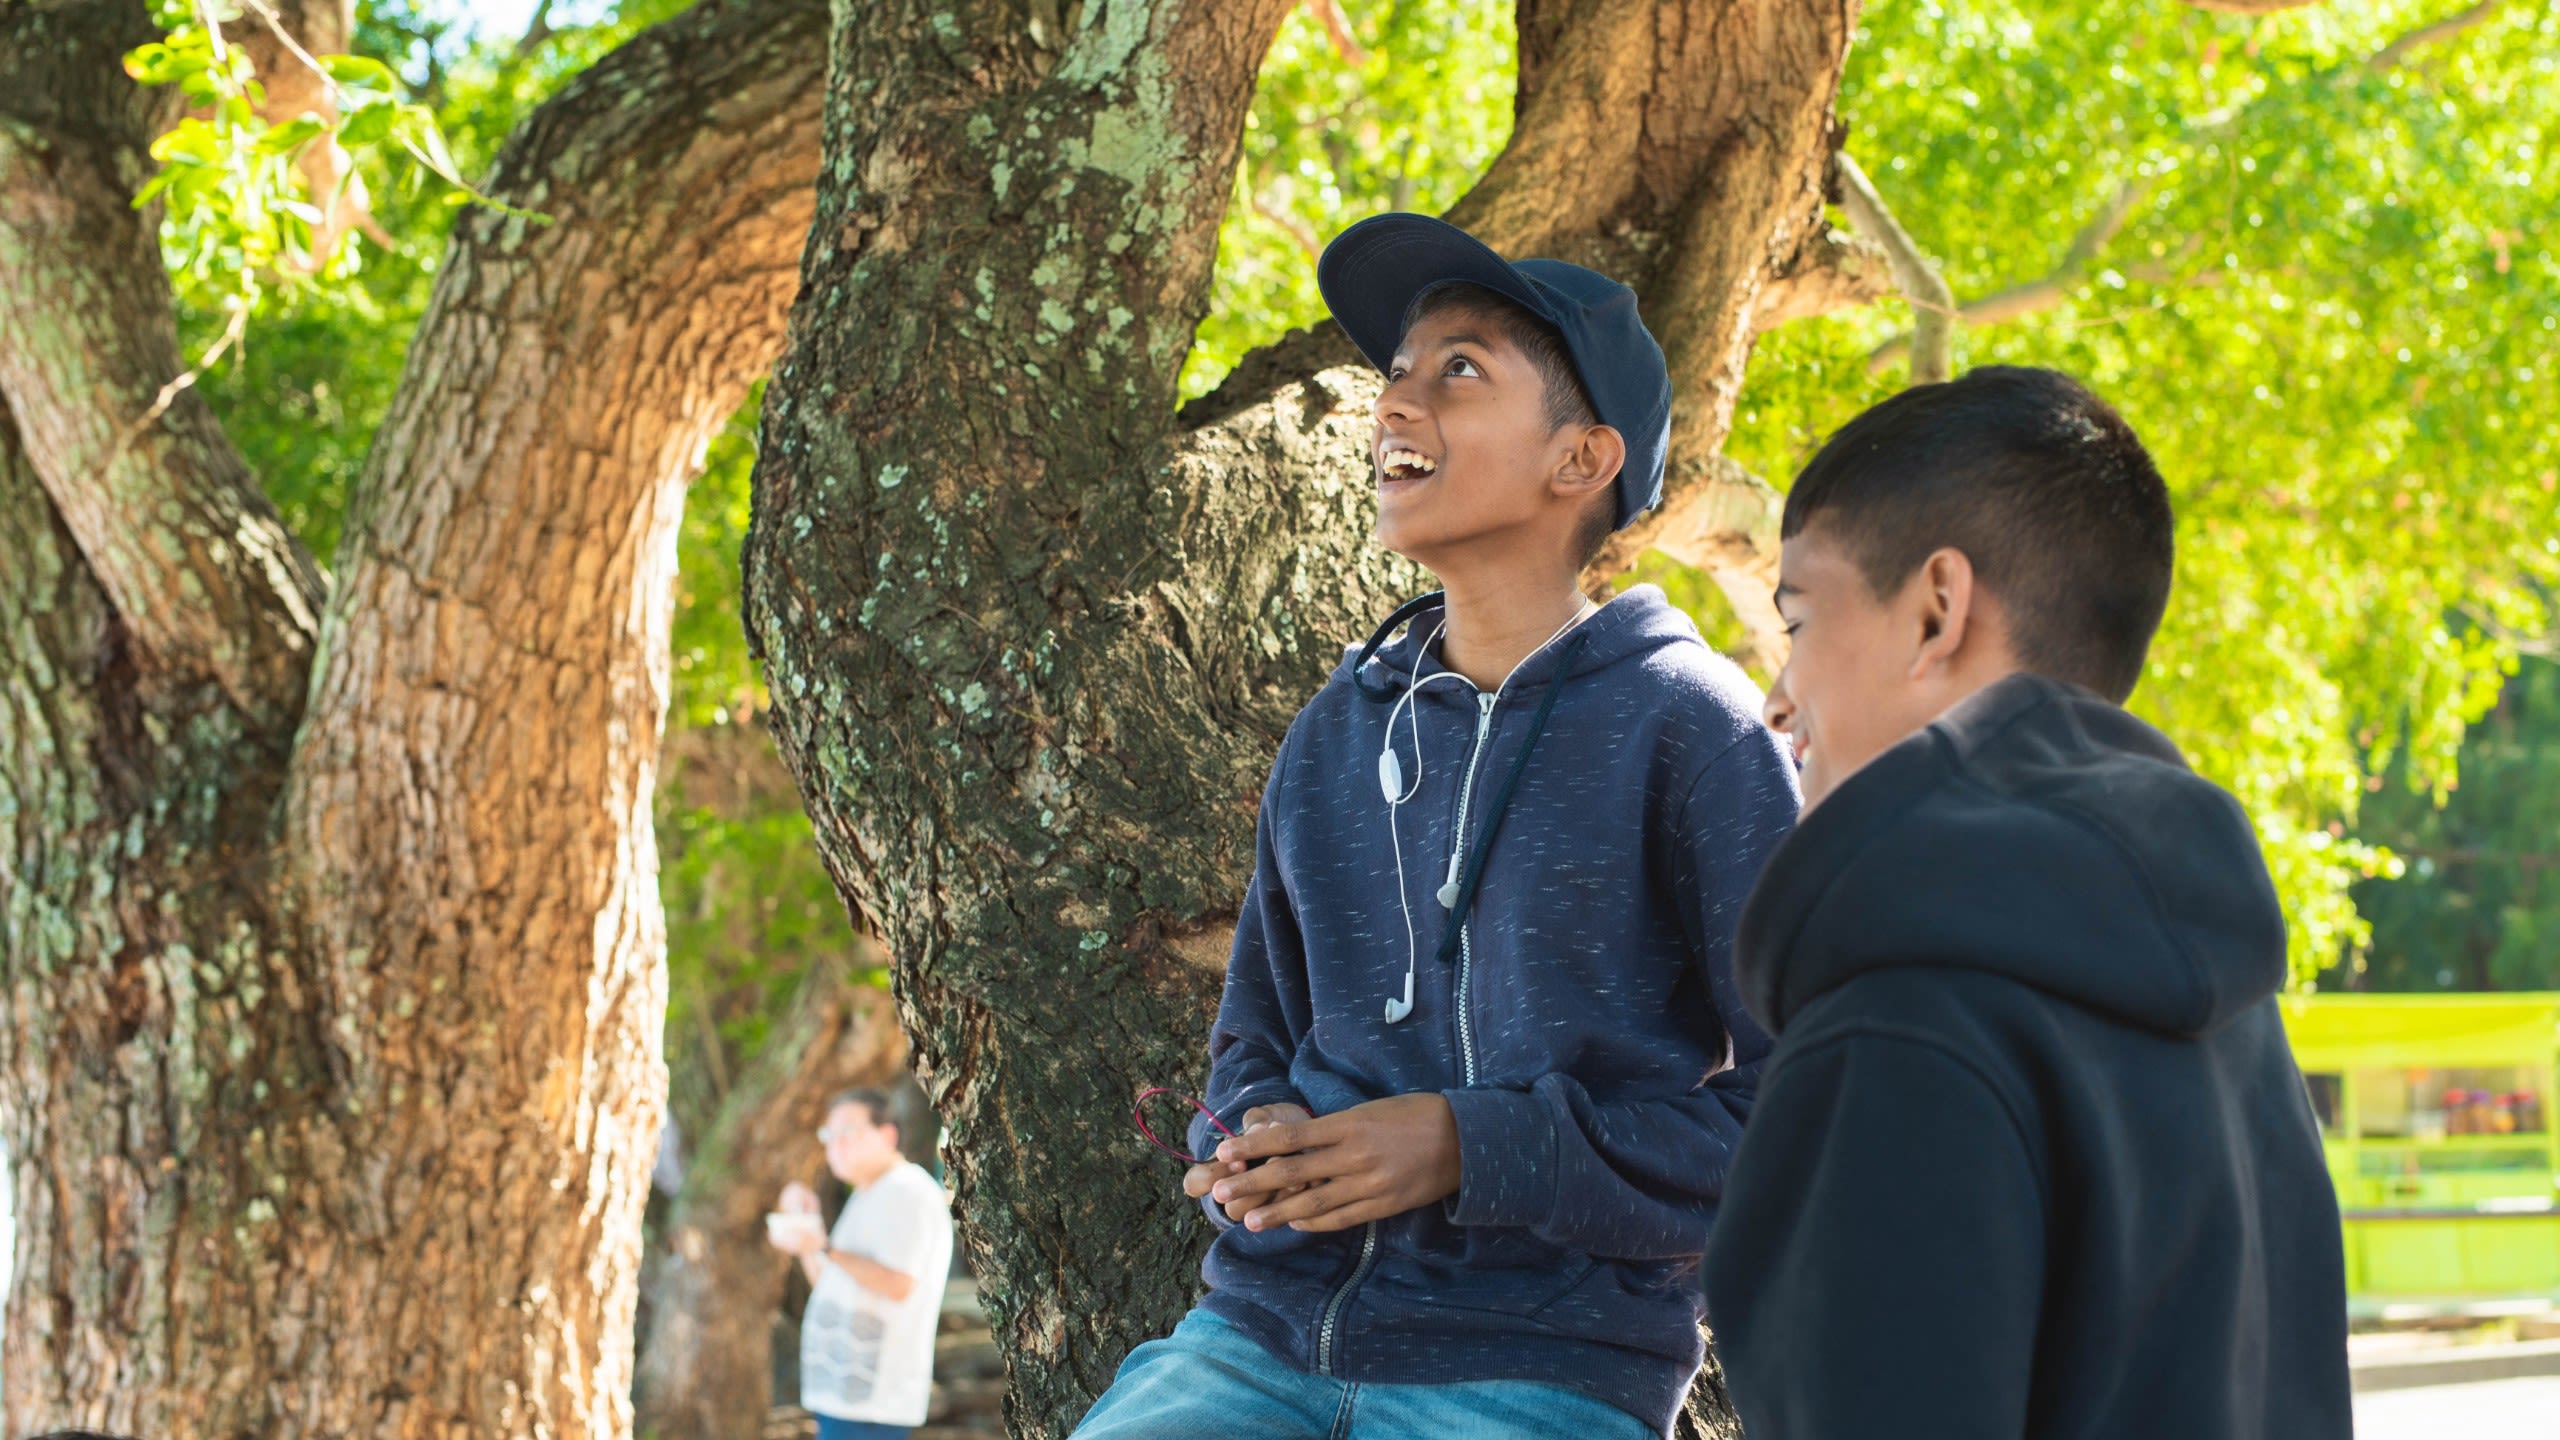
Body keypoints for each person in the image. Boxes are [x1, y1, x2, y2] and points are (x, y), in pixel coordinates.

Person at [1072, 213, 1799, 1440]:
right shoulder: (1333, 733)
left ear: (1580, 460)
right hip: (1256, 1342)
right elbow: (1254, 1030)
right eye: (1396, 372)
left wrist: (1472, 1146)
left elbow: (1800, 1116)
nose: (1395, 402)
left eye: (1457, 369)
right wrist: (1257, 1138)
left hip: (1544, 1367)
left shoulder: (1695, 729)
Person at [1701, 366, 2352, 1437]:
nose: (1776, 698)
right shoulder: (2231, 1015)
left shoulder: (1898, 1029)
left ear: (1936, 610)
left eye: (1799, 620)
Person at [771, 1087, 955, 1440]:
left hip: (873, 1399)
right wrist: (810, 1237)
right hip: (839, 1392)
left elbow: (899, 1285)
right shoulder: (867, 1193)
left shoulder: (908, 1191)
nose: (835, 1145)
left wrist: (824, 1246)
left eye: (848, 1132)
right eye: (829, 1135)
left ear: (887, 1135)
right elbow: (829, 1281)